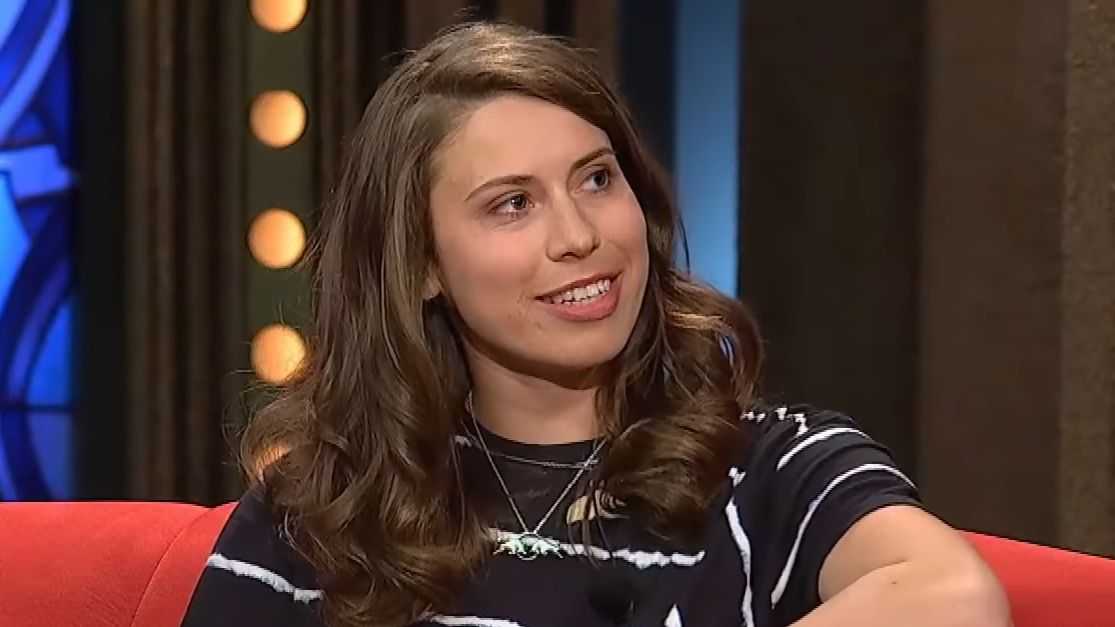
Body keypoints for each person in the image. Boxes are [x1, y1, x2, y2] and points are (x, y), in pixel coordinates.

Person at [183, 21, 1011, 627]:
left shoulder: (768, 471)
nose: (579, 236)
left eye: (596, 179)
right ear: (422, 262)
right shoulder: (324, 506)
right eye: (513, 203)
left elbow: (951, 596)